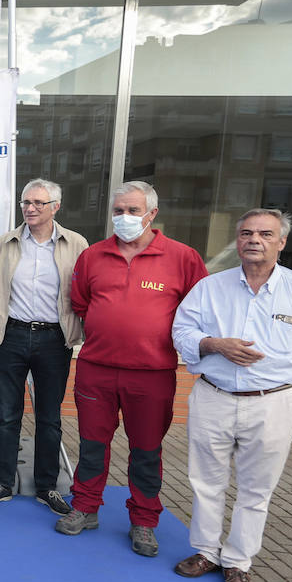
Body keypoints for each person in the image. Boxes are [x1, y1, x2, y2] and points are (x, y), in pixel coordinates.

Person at [171, 209, 292, 582]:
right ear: (237, 239)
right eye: (246, 233)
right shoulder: (211, 287)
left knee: (255, 489)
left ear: (281, 242)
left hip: (273, 404)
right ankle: (206, 552)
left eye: (265, 234)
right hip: (214, 395)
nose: (254, 240)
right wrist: (214, 344)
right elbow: (181, 329)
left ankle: (238, 561)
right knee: (205, 481)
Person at [58, 181, 208, 556]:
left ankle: (143, 520)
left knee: (147, 450)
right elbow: (81, 302)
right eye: (119, 211)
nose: (124, 218)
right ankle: (85, 507)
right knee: (92, 445)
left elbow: (199, 310)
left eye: (133, 211)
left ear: (152, 214)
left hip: (152, 373)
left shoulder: (182, 257)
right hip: (97, 369)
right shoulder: (93, 255)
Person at [0, 179, 89, 513]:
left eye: (39, 203)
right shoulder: (5, 243)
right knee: (8, 415)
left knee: (49, 417)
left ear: (56, 206)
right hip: (11, 335)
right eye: (26, 202)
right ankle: (2, 481)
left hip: (54, 339)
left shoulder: (77, 244)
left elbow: (86, 292)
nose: (30, 208)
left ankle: (46, 486)